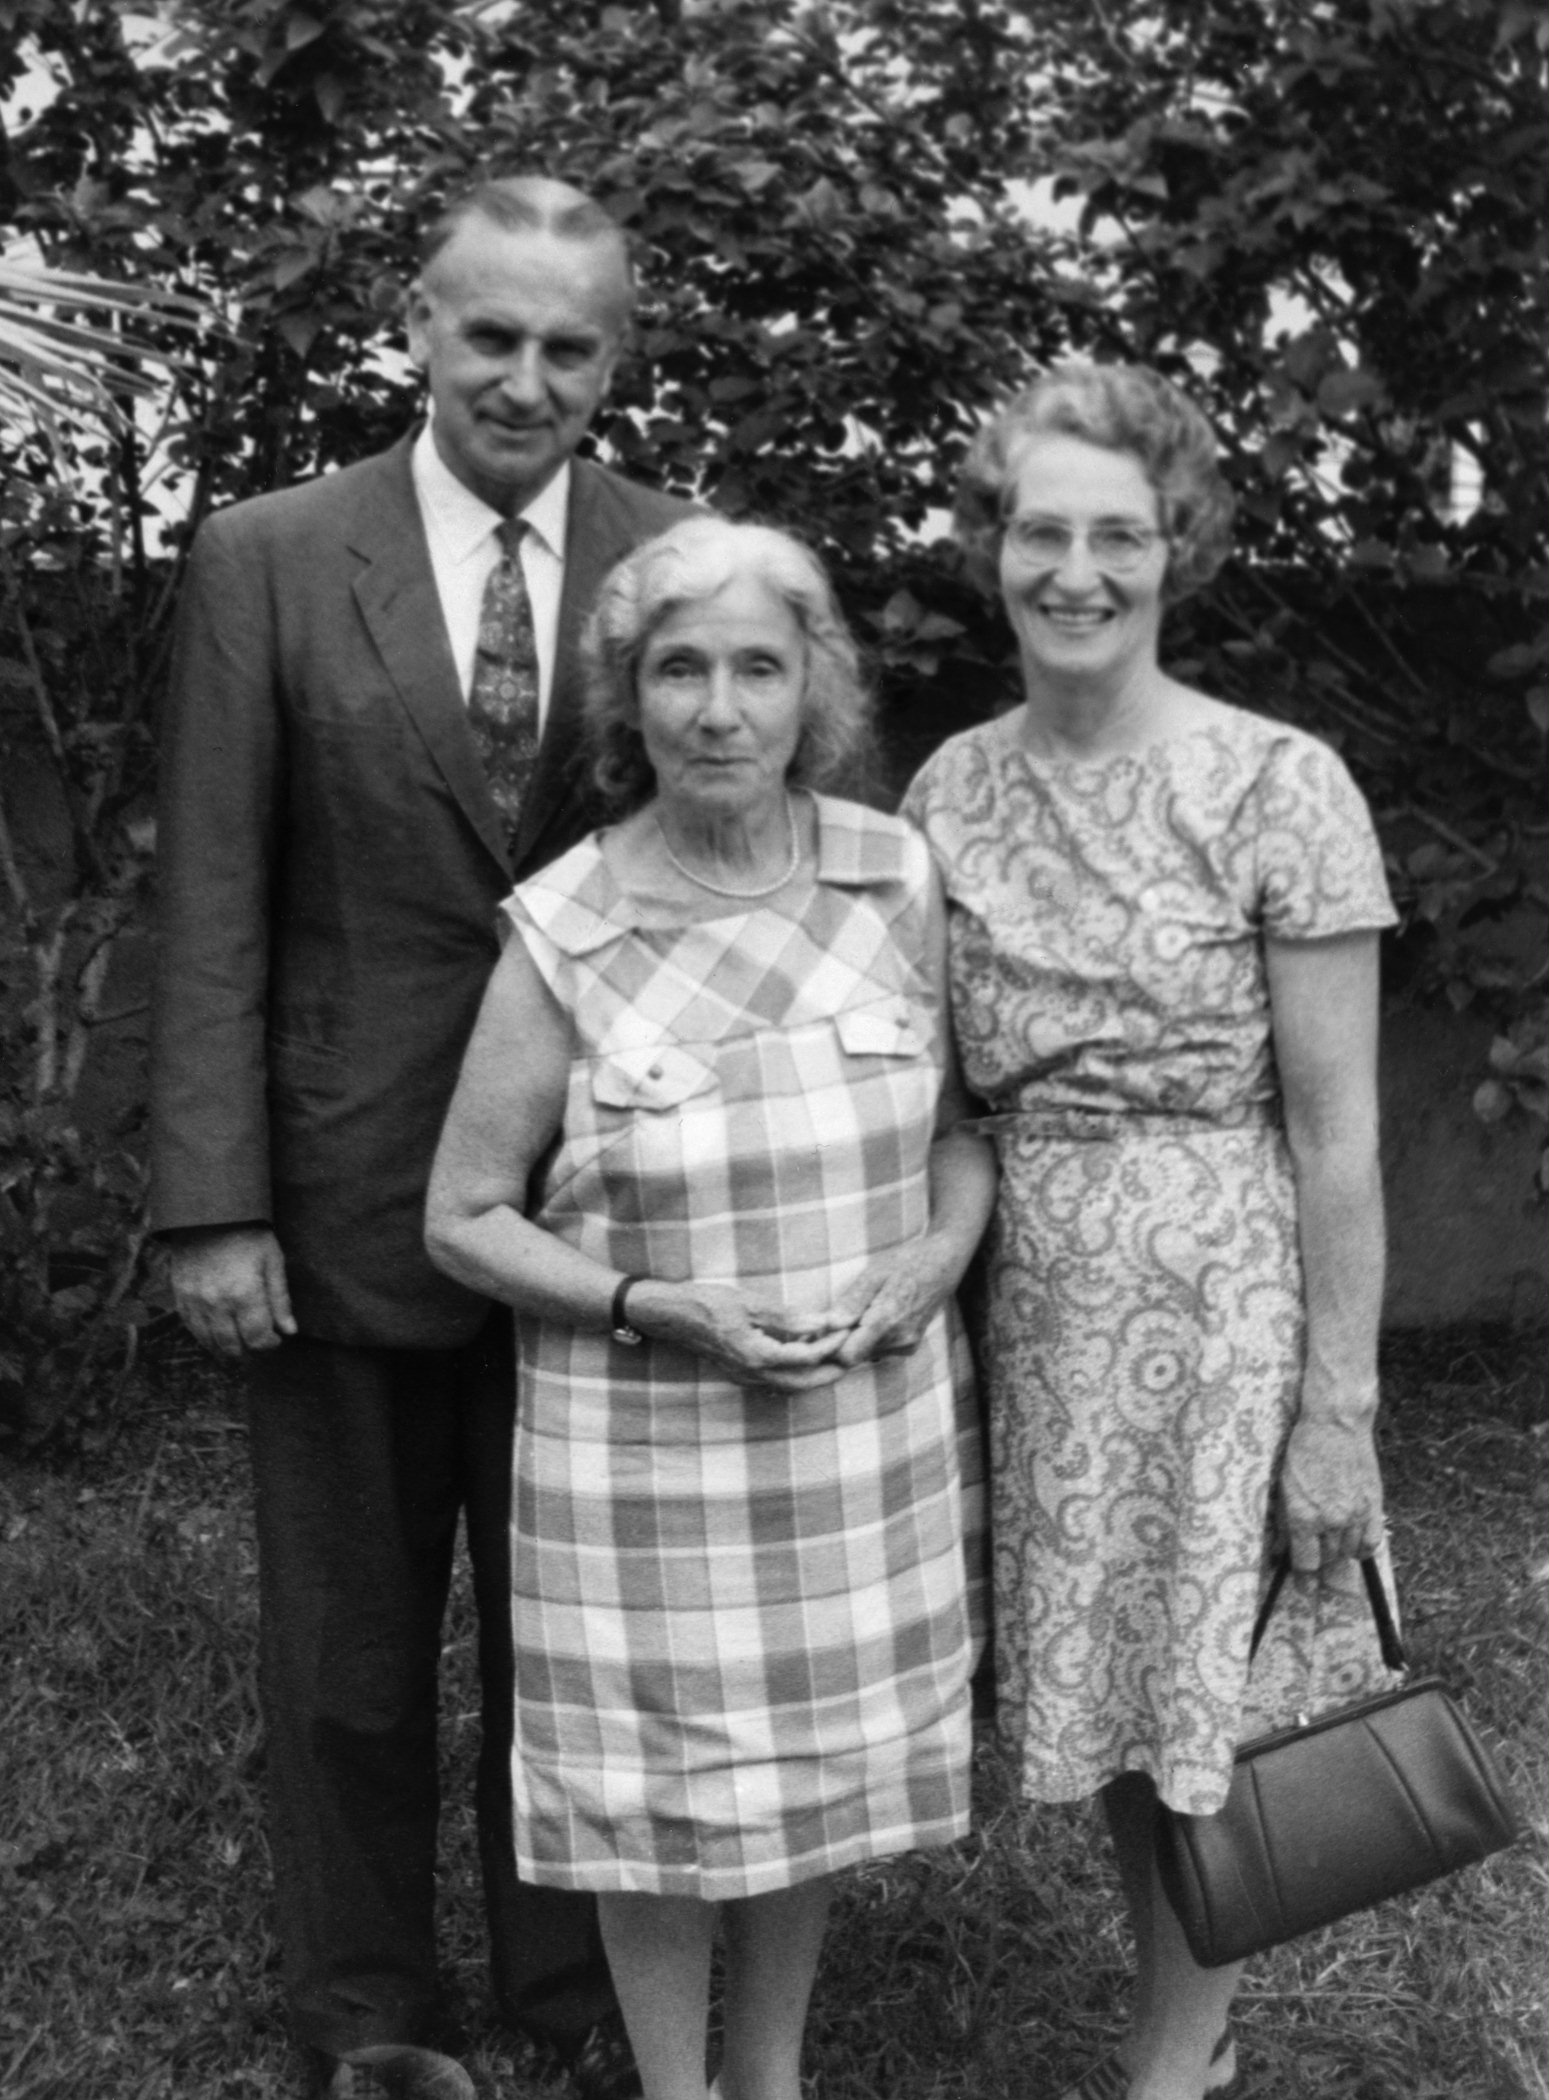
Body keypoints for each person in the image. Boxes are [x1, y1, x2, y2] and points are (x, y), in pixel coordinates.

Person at [148, 175, 695, 2099]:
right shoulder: (271, 557)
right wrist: (212, 1205)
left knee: (584, 1644)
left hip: (597, 1213)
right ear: (419, 329)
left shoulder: (677, 563)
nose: (526, 380)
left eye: (570, 347)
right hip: (342, 1193)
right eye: (492, 336)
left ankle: (575, 1993)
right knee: (348, 1657)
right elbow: (212, 892)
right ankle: (367, 2010)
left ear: (613, 361)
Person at [424, 516, 994, 2100]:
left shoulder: (892, 878)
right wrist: (649, 1304)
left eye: (758, 667)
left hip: (855, 1435)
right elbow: (460, 1217)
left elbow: (960, 1135)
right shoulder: (569, 925)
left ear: (815, 689)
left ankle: (771, 2077)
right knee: (657, 1801)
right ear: (630, 699)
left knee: (810, 1779)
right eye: (681, 670)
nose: (721, 709)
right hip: (646, 1451)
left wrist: (936, 1257)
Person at [901, 362, 1397, 2100]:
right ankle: (1190, 2015)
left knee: (1208, 1688)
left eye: (1119, 535)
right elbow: (936, 1098)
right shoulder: (946, 793)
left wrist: (1336, 1404)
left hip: (1219, 1295)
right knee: (1118, 1691)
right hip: (1033, 1301)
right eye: (1040, 532)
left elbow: (1336, 1134)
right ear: (992, 548)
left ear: (1177, 548)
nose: (1077, 572)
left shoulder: (1277, 784)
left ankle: (1174, 2059)